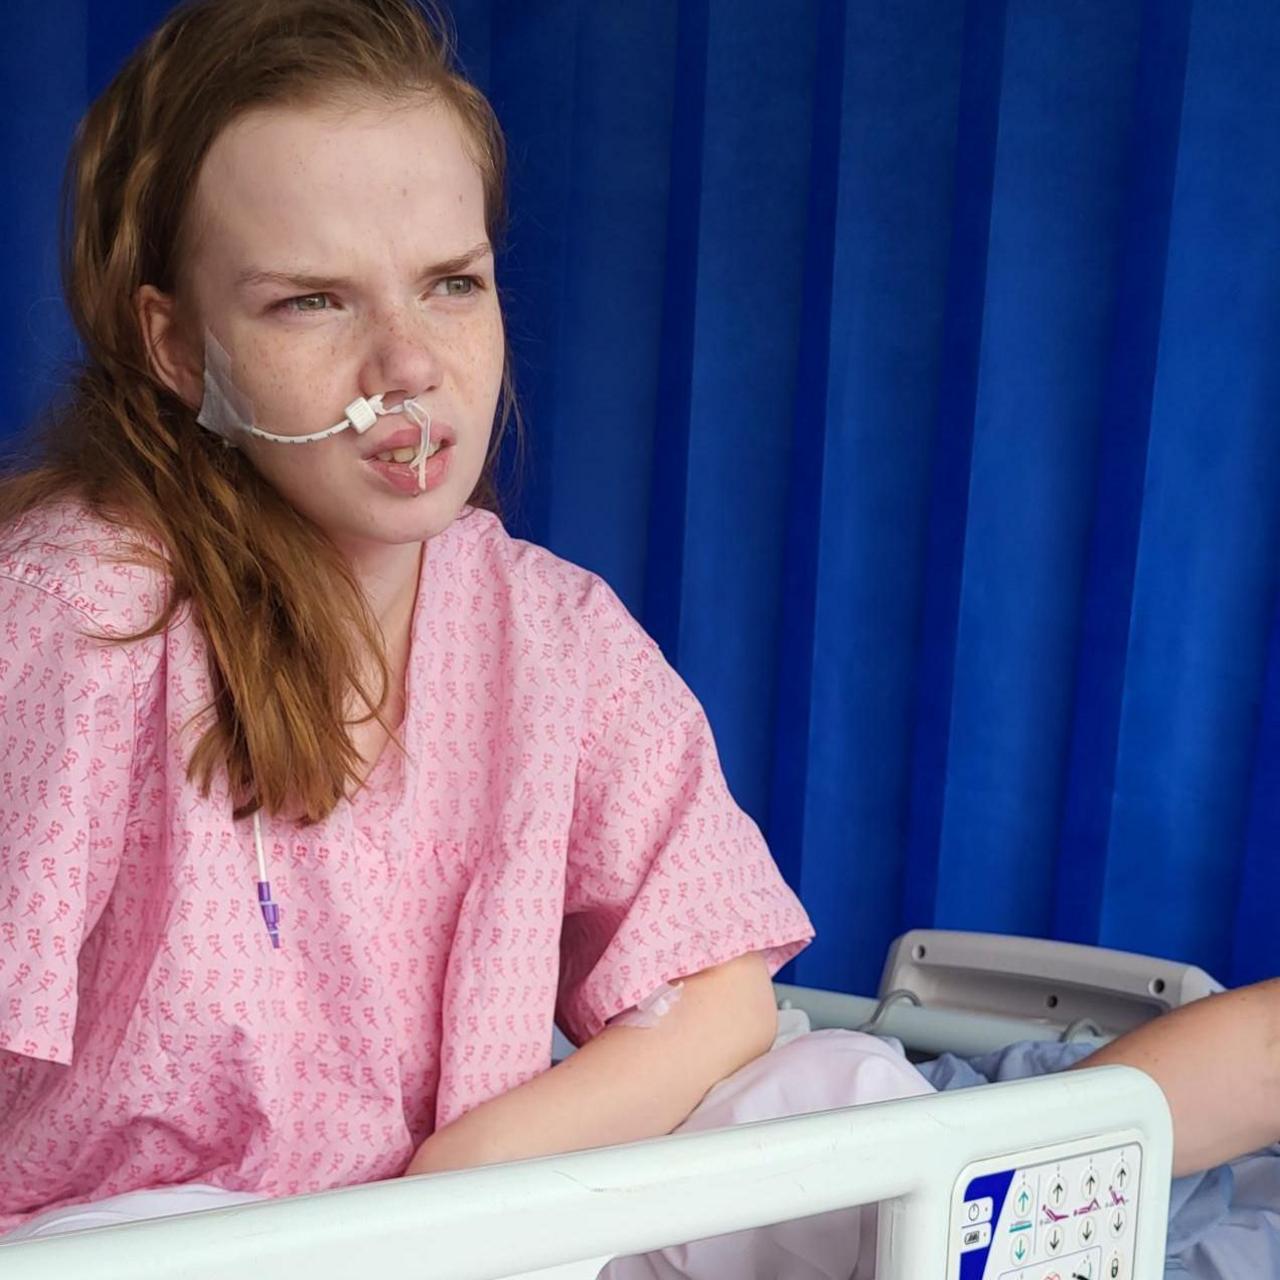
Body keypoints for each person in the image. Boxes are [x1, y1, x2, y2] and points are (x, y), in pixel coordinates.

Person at [0, 0, 1275, 1272]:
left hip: (495, 1218)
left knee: (831, 1099)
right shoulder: (79, 619)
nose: (408, 363)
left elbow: (716, 993)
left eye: (453, 283)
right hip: (181, 1238)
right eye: (310, 303)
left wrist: (468, 1189)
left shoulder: (549, 631)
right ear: (175, 345)